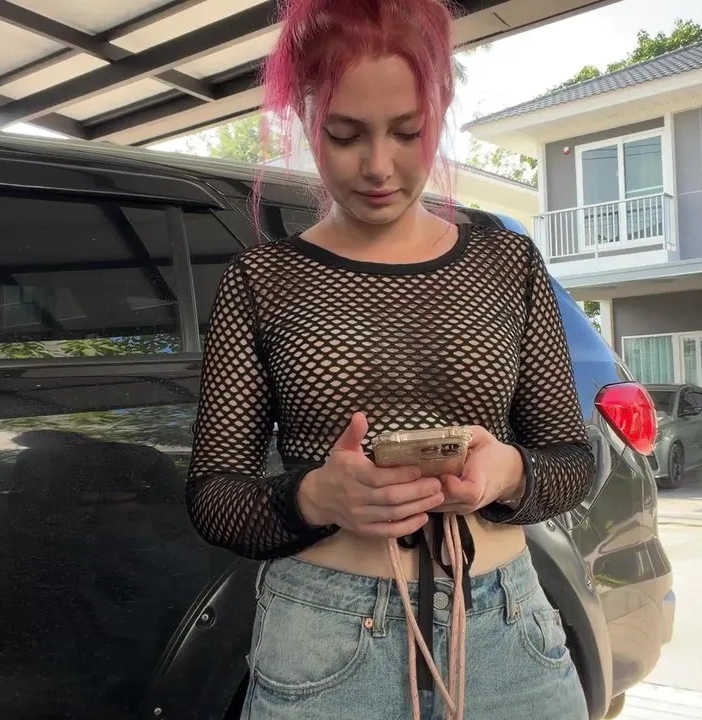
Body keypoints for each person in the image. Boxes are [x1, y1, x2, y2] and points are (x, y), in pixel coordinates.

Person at [185, 0, 596, 717]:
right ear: (305, 116)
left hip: (507, 634)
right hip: (325, 639)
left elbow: (572, 460)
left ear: (440, 110)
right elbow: (214, 495)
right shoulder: (263, 281)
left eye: (408, 132)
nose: (378, 166)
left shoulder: (508, 263)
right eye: (344, 135)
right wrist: (315, 497)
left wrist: (506, 471)